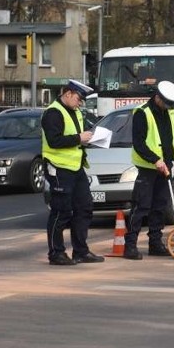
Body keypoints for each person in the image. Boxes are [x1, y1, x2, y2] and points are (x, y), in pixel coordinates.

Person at [41, 79, 103, 266]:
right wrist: (79, 138)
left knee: (84, 208)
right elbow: (54, 141)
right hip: (59, 168)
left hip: (76, 167)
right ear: (67, 94)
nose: (80, 103)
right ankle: (56, 253)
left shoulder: (74, 112)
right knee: (61, 211)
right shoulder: (53, 113)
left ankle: (80, 251)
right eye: (78, 98)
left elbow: (76, 136)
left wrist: (88, 139)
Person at [124, 80, 174, 260]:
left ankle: (155, 244)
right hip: (148, 168)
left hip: (166, 166)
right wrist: (155, 160)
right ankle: (130, 246)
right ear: (157, 98)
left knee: (159, 206)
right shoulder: (142, 113)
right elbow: (139, 144)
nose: (168, 107)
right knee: (141, 206)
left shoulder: (169, 110)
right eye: (166, 103)